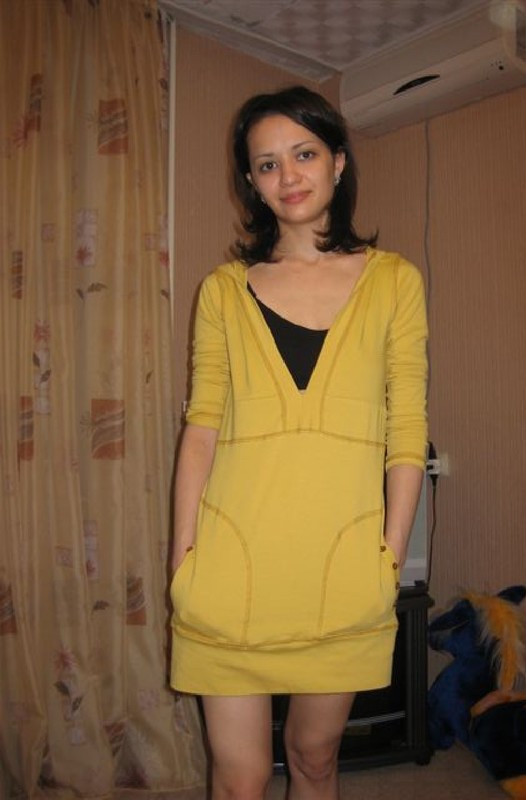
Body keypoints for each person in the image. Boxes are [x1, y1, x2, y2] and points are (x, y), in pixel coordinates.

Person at [170, 85, 428, 800]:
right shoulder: (223, 291)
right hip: (230, 569)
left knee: (314, 760)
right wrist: (181, 557)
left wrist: (389, 557)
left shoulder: (395, 282)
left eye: (304, 154)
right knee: (241, 778)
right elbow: (202, 428)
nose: (288, 176)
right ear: (251, 183)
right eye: (267, 164)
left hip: (343, 572)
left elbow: (407, 429)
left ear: (338, 162)